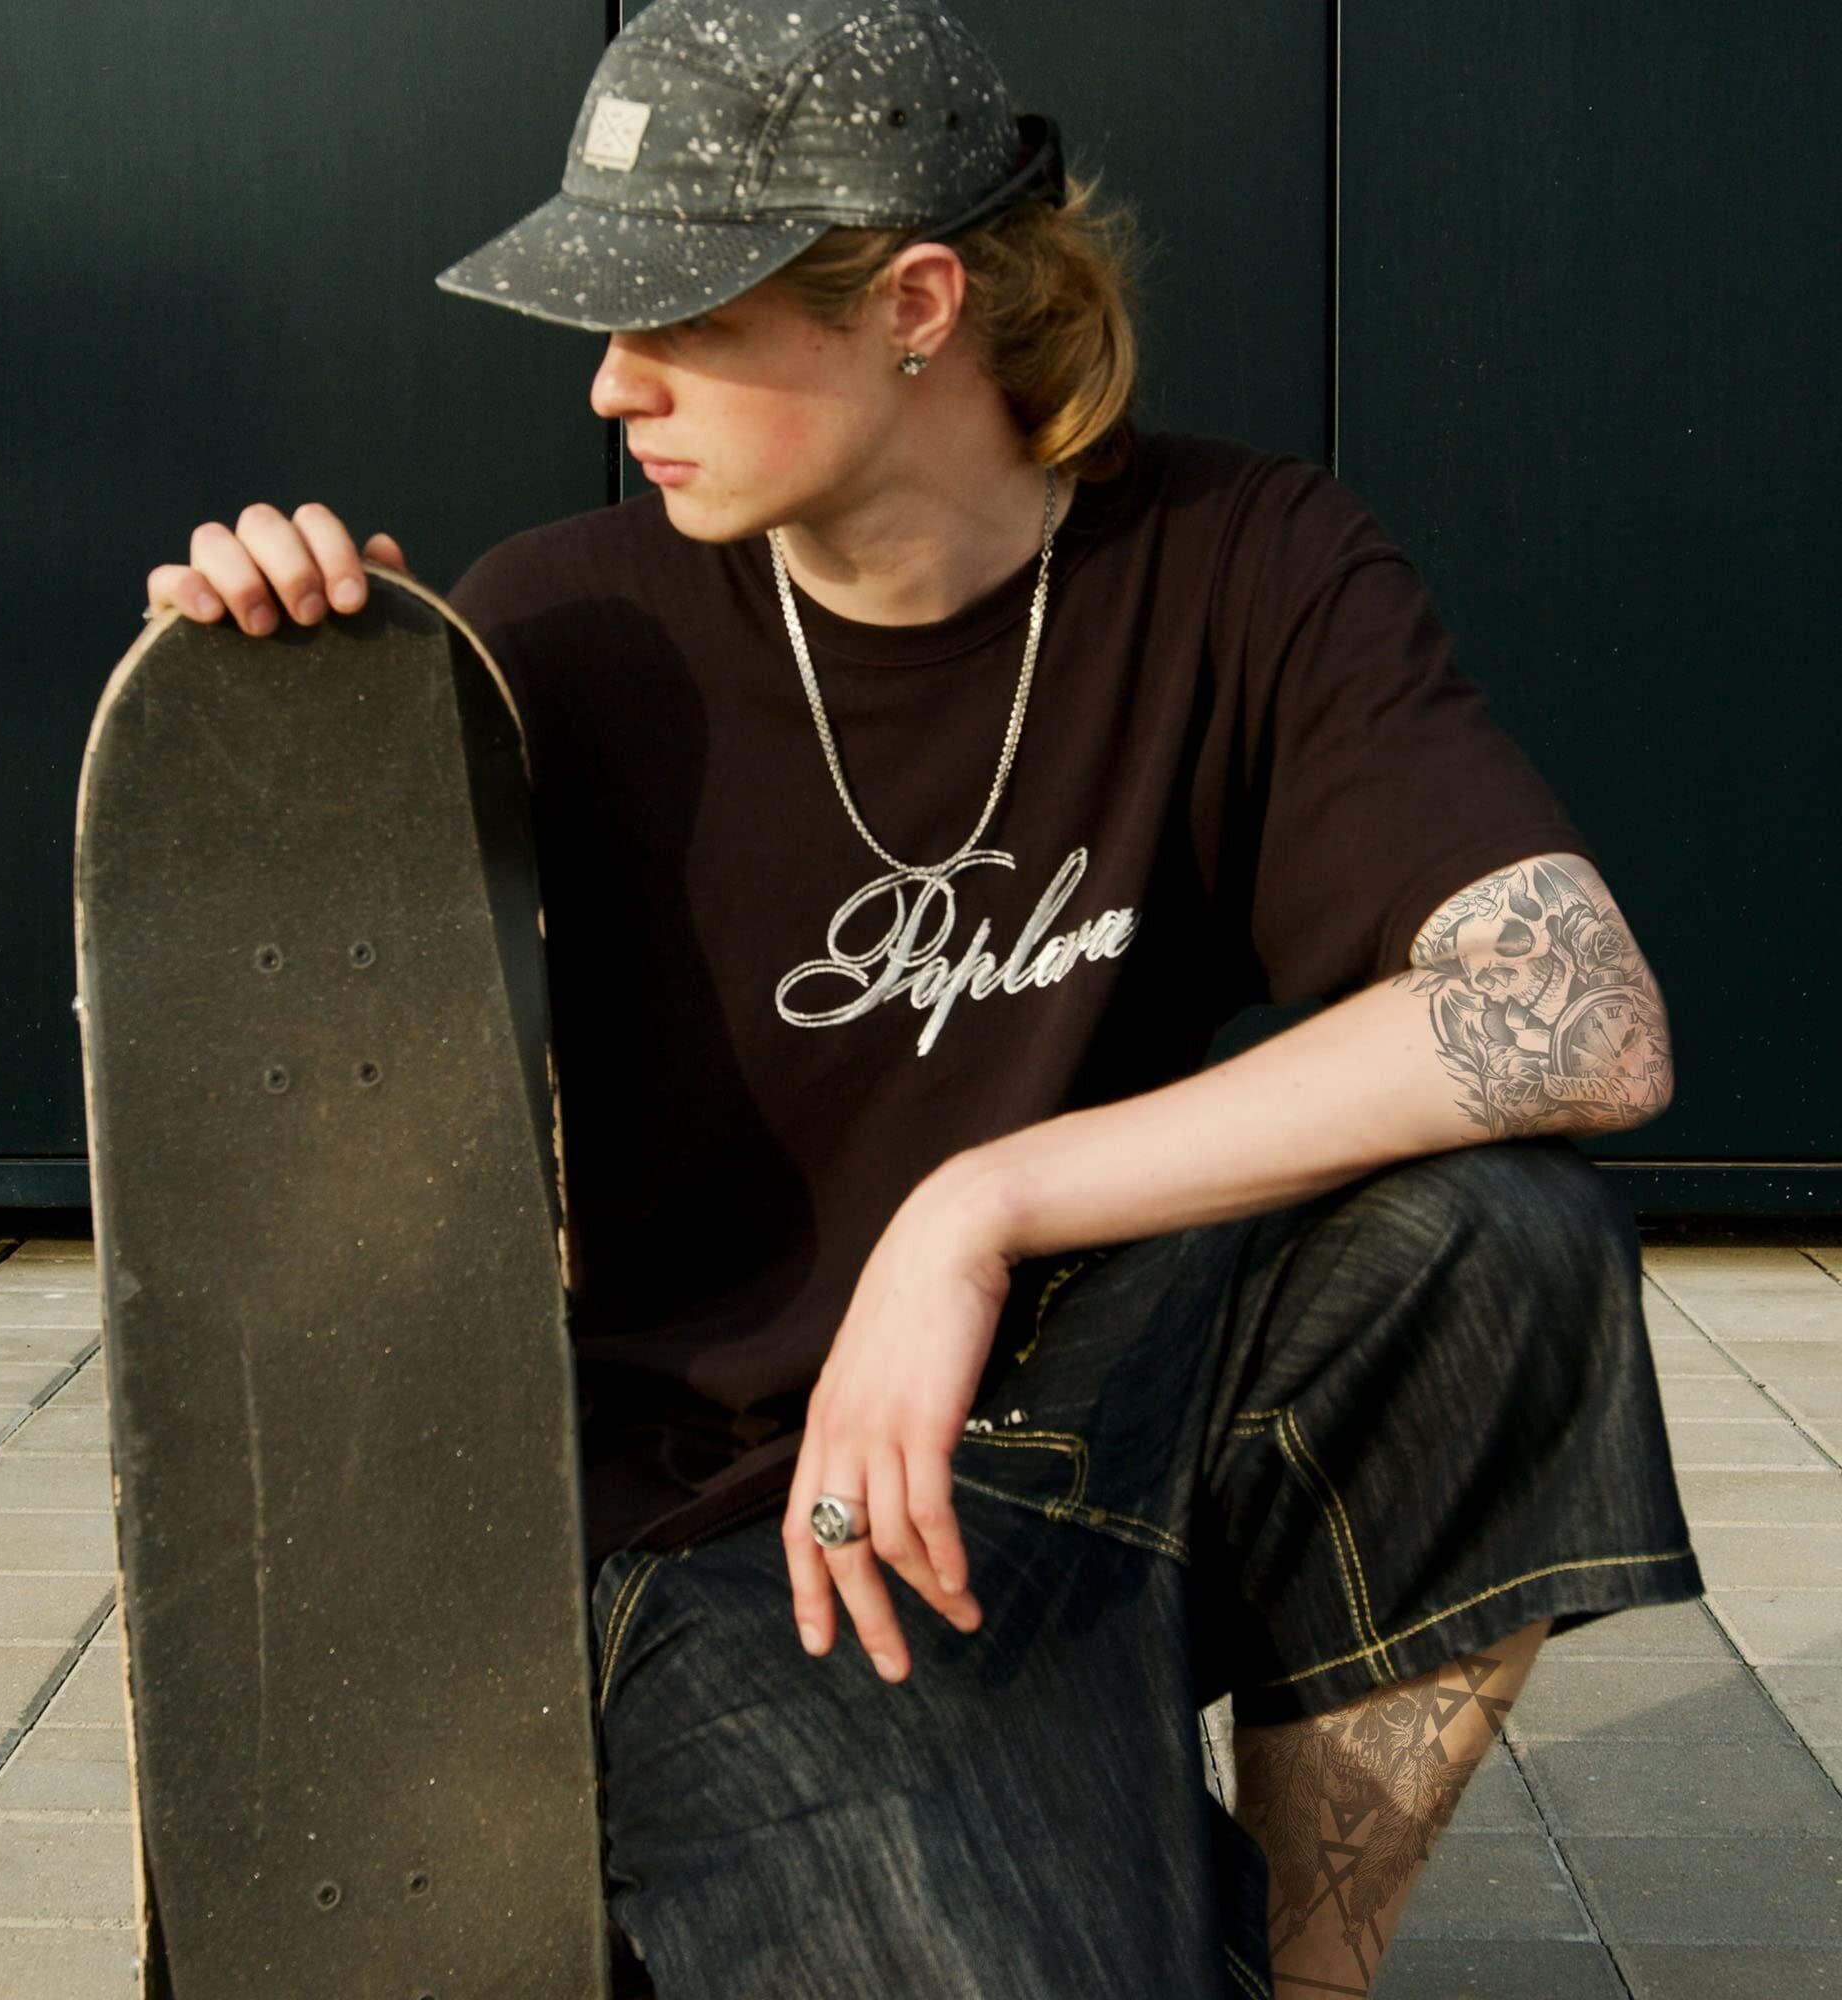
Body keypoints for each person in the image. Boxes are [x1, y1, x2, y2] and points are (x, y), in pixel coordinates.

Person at [144, 2, 1701, 1992]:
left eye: (682, 319)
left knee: (1505, 1243)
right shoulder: (568, 625)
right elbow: (299, 1100)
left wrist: (978, 1207)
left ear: (916, 305)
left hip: (1093, 1412)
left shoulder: (1249, 563)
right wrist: (285, 725)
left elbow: (1582, 1013)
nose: (613, 384)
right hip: (734, 1513)